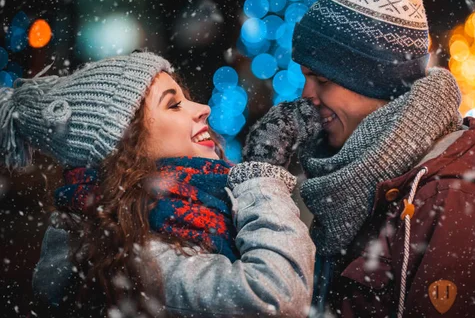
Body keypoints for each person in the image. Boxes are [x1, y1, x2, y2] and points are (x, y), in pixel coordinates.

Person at [241, 0, 475, 317]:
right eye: (306, 76)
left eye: (322, 80)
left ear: (379, 86)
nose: (306, 95)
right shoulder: (342, 176)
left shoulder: (454, 205)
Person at [0, 51, 317, 317]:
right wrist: (262, 178)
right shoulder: (133, 256)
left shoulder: (200, 205)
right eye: (173, 104)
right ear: (126, 144)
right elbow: (276, 296)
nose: (203, 108)